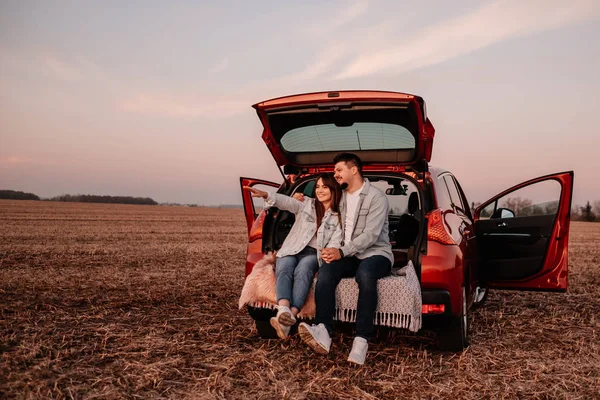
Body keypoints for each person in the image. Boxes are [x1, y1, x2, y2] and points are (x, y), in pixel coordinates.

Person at [297, 153, 393, 365]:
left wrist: (341, 251)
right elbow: (321, 204)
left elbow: (371, 235)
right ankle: (323, 330)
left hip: (376, 253)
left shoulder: (376, 197)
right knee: (327, 272)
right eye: (335, 172)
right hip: (350, 254)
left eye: (339, 170)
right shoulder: (340, 198)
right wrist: (300, 200)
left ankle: (361, 339)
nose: (336, 175)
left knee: (365, 274)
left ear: (354, 169)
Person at [243, 173, 343, 339]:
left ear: (334, 189)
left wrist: (331, 250)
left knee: (303, 271)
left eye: (324, 187)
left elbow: (337, 239)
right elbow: (287, 202)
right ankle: (283, 309)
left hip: (313, 252)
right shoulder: (307, 204)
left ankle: (291, 315)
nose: (319, 190)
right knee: (284, 267)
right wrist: (267, 195)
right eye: (317, 187)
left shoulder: (338, 215)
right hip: (292, 248)